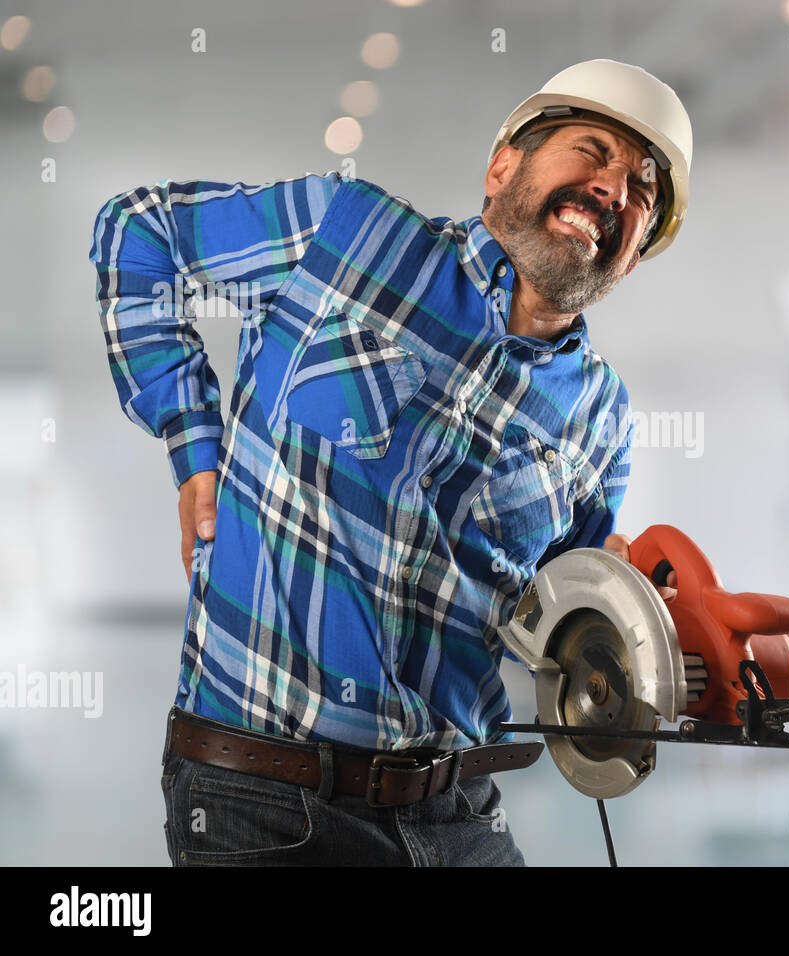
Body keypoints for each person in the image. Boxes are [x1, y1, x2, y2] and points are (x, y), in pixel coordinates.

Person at [87, 58, 691, 866]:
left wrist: (634, 627)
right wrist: (193, 445)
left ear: (634, 256)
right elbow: (138, 230)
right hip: (264, 802)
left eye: (642, 193)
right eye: (593, 150)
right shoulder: (345, 236)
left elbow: (543, 620)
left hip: (460, 815)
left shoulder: (601, 417)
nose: (615, 188)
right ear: (503, 164)